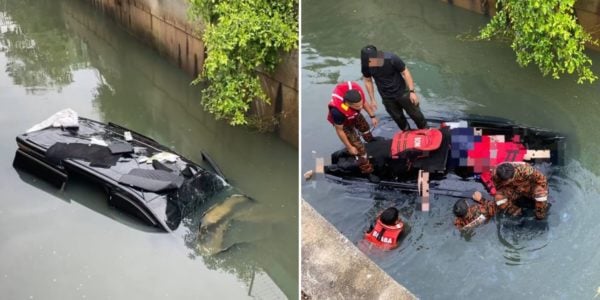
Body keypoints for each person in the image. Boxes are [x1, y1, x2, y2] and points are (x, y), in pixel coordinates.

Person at [361, 45, 427, 131]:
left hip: (402, 92)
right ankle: (407, 132)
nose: (371, 61)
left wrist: (412, 91)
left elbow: (405, 72)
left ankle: (425, 129)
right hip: (387, 97)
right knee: (398, 118)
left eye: (373, 58)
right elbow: (368, 80)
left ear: (377, 54)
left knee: (415, 114)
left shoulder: (391, 58)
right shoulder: (366, 65)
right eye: (368, 60)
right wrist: (372, 99)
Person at [327, 81, 379, 183]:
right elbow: (340, 131)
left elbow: (363, 104)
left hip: (353, 115)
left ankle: (370, 140)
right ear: (347, 104)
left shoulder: (358, 102)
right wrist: (350, 147)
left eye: (360, 105)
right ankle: (367, 171)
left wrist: (372, 116)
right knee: (358, 146)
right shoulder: (337, 112)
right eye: (357, 106)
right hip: (344, 124)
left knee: (365, 127)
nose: (360, 108)